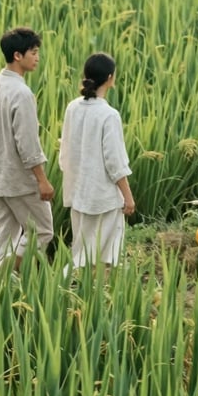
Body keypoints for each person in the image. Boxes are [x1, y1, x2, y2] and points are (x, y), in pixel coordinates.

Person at [0, 26, 55, 271]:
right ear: (17, 56)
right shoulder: (21, 93)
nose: (37, 57)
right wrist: (42, 180)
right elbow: (28, 143)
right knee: (42, 231)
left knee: (5, 236)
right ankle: (7, 273)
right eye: (33, 52)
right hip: (18, 178)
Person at [59, 52, 135, 269]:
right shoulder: (108, 115)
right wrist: (128, 198)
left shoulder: (73, 107)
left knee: (82, 251)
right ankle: (93, 297)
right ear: (110, 78)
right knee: (103, 258)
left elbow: (65, 150)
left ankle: (77, 294)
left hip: (77, 193)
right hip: (102, 198)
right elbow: (115, 162)